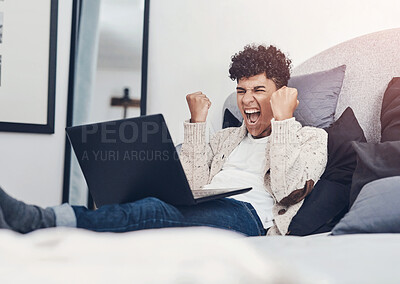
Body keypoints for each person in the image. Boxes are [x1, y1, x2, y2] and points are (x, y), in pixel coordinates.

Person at [0, 44, 327, 236]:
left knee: (150, 211)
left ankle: (41, 219)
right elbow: (192, 185)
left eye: (258, 90)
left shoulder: (311, 139)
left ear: (281, 93)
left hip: (249, 216)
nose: (246, 100)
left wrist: (283, 122)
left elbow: (288, 191)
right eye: (241, 91)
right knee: (141, 206)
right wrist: (198, 125)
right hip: (208, 204)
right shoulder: (227, 139)